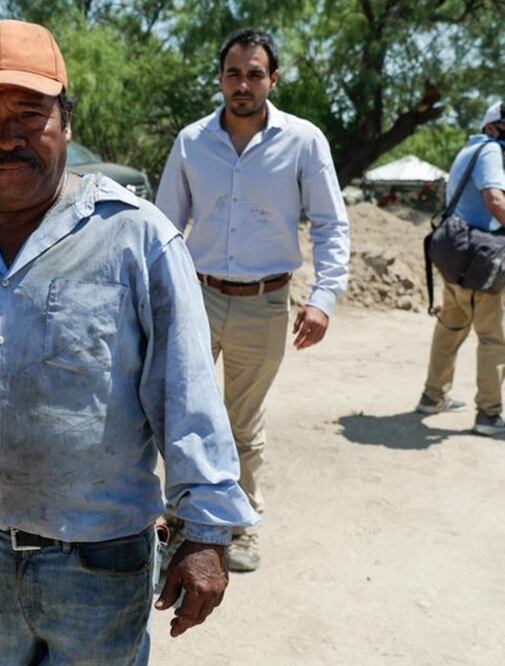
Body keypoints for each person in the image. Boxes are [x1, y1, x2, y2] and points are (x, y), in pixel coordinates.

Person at [0, 19, 257, 664]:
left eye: (29, 112)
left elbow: (186, 395)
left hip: (102, 566)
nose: (7, 137)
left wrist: (208, 534)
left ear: (66, 123)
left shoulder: (137, 240)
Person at [155, 28, 350, 572]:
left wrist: (324, 297)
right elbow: (166, 226)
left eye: (255, 74)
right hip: (196, 297)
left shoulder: (304, 141)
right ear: (220, 79)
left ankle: (240, 525)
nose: (243, 84)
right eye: (234, 73)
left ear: (274, 79)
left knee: (242, 422)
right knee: (181, 413)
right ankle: (178, 519)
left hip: (265, 303)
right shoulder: (192, 142)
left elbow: (332, 224)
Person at [417, 102, 505, 434]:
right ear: (493, 126)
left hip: (454, 254)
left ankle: (433, 396)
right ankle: (489, 415)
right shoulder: (491, 151)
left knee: (451, 327)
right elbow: (495, 200)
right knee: (494, 338)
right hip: (478, 260)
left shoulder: (468, 150)